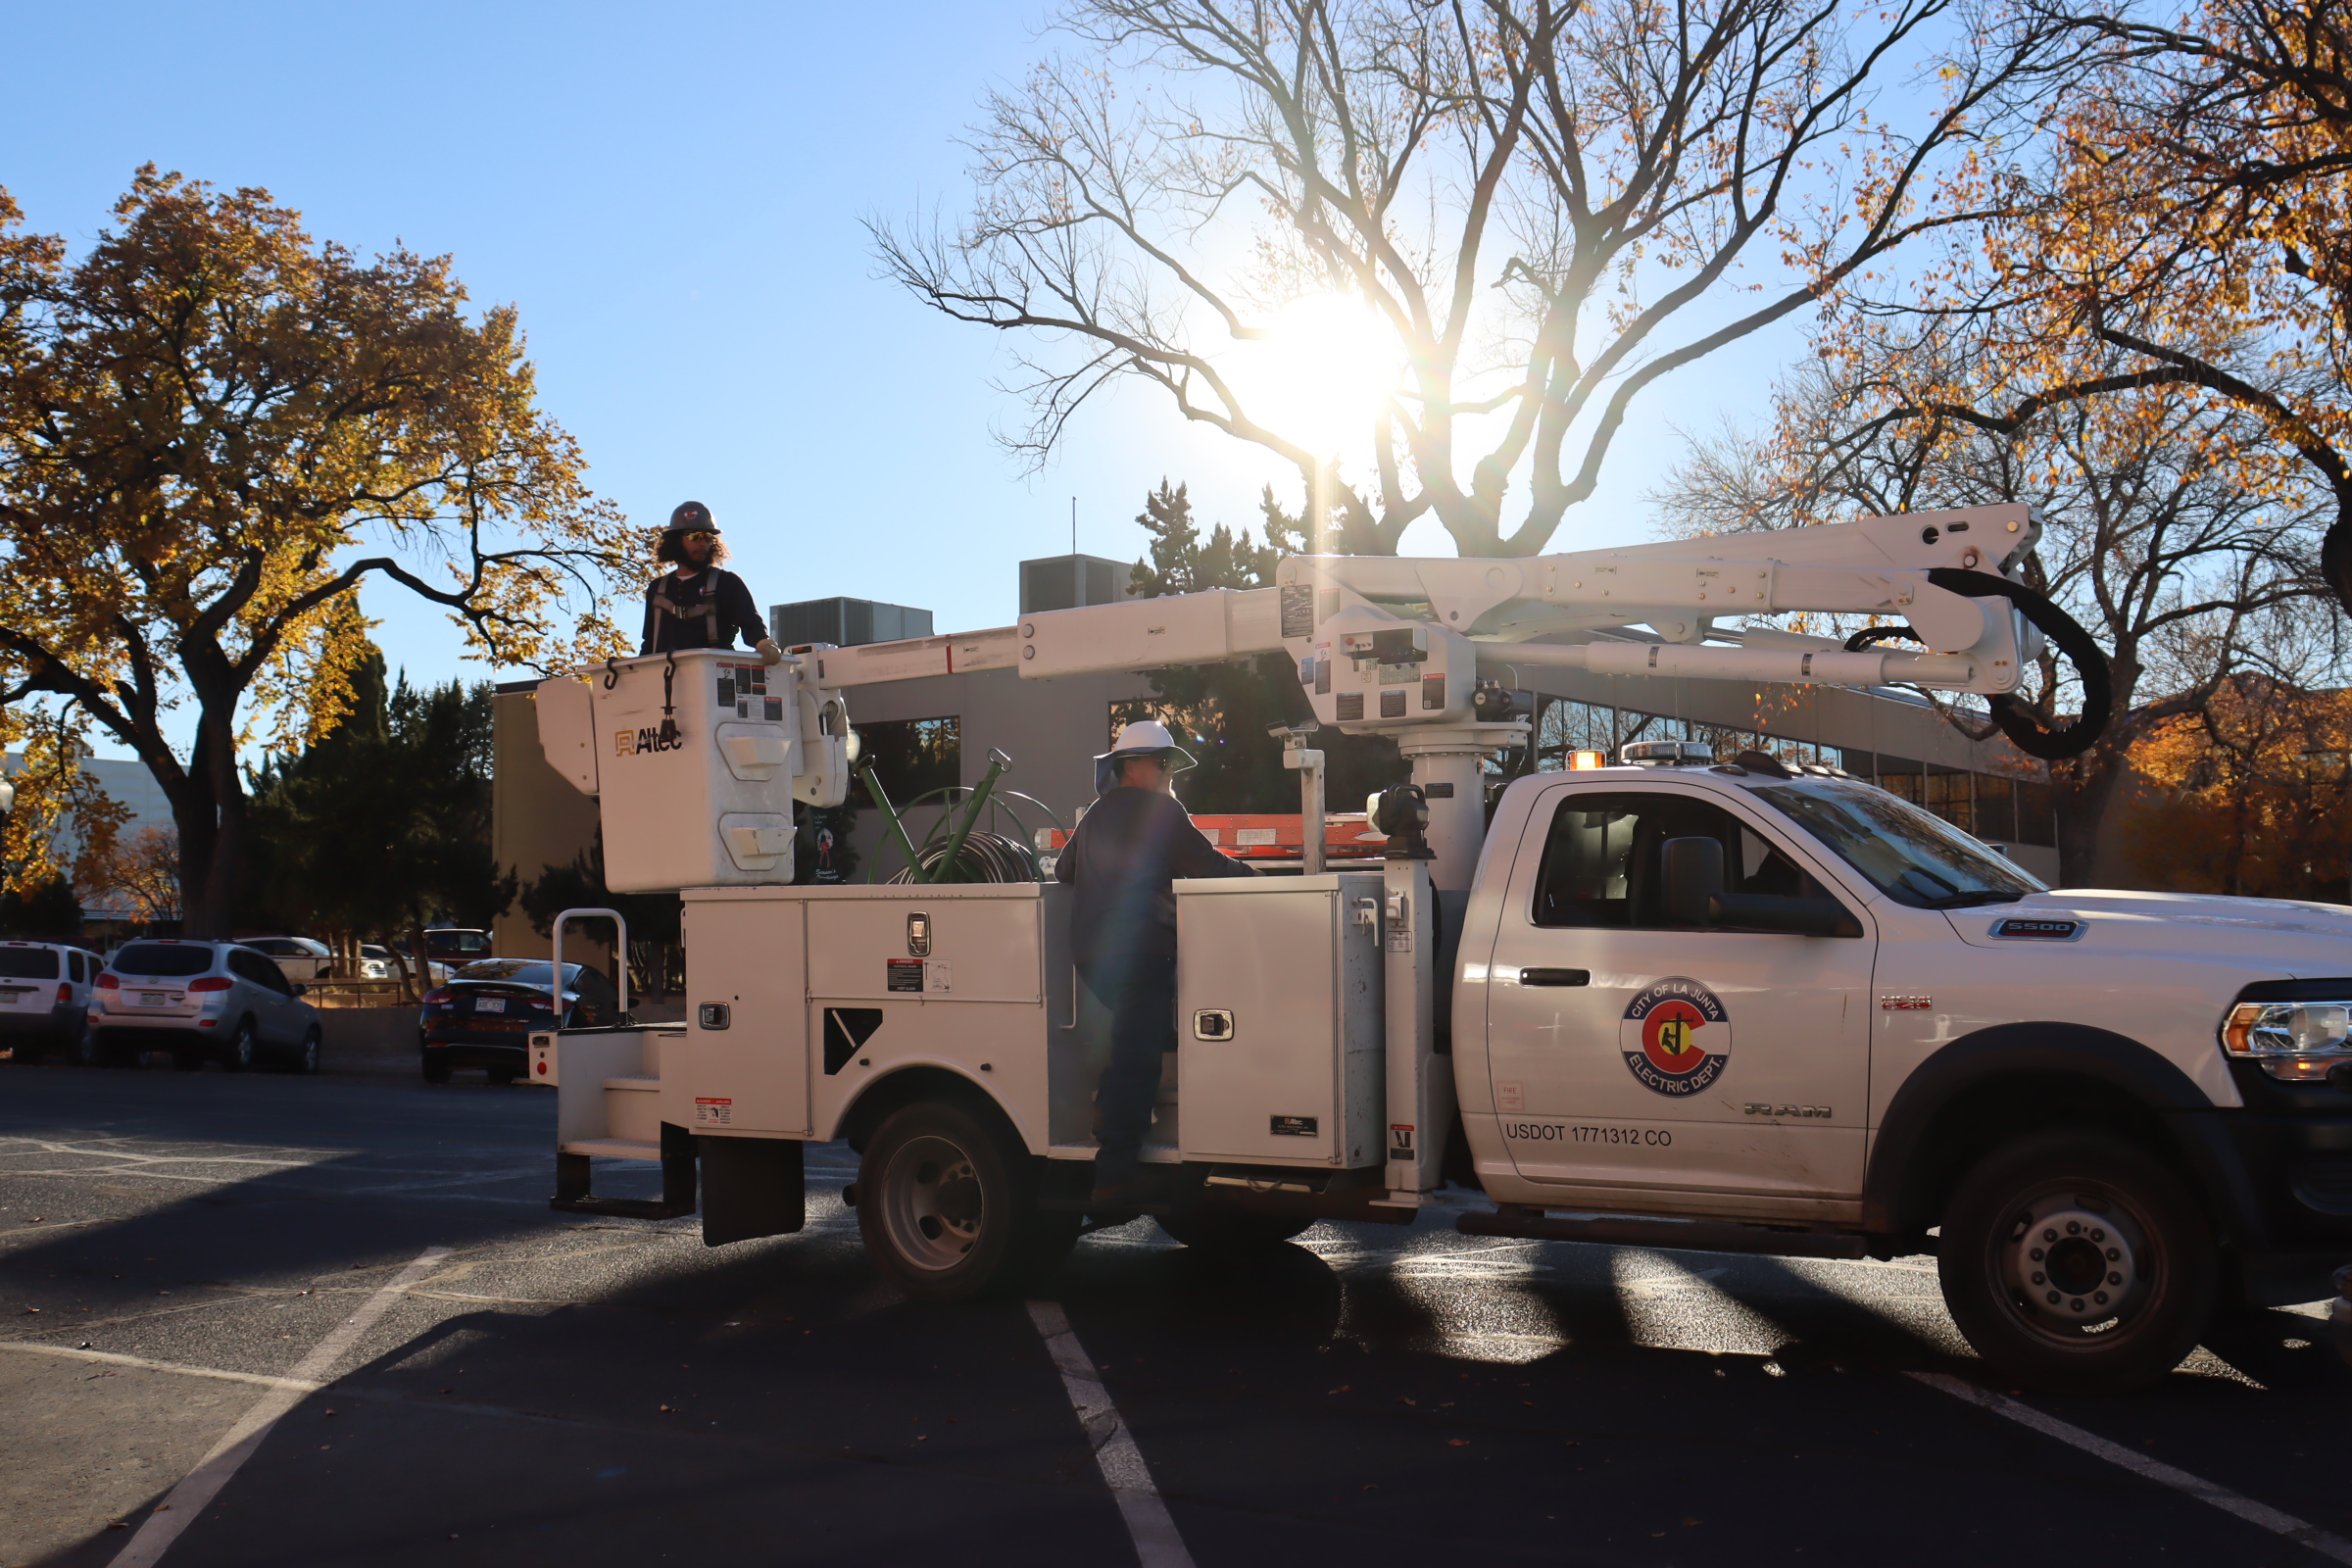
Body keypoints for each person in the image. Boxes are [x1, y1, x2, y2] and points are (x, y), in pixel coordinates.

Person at [1055, 719, 1256, 1203]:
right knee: (1138, 1056)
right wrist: (1258, 877)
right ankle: (1115, 1174)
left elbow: (1063, 871)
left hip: (1092, 959)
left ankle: (1110, 1105)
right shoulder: (1162, 812)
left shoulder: (1094, 815)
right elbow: (1206, 866)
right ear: (1135, 766)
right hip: (1142, 953)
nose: (1169, 773)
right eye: (1163, 764)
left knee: (1143, 1036)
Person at [641, 501, 783, 662]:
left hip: (712, 677)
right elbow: (649, 642)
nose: (702, 543)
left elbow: (750, 623)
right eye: (694, 536)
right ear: (675, 540)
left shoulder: (725, 583)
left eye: (708, 537)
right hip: (666, 678)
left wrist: (764, 643)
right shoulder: (658, 588)